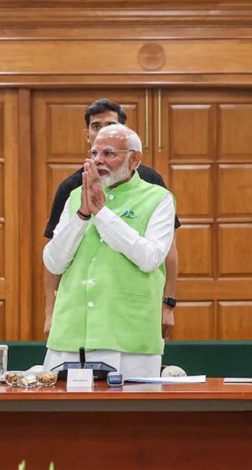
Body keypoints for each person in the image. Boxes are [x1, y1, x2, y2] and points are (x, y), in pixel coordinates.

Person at [42, 124, 176, 377]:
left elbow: (150, 258)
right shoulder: (75, 196)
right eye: (94, 153)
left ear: (134, 159)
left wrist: (102, 213)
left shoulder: (158, 198)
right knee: (58, 403)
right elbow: (53, 262)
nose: (98, 160)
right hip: (69, 334)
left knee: (127, 404)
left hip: (128, 337)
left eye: (109, 153)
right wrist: (82, 215)